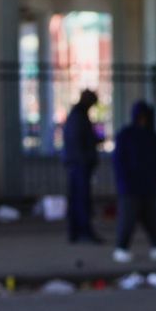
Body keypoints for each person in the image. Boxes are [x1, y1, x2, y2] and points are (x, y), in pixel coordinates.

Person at [111, 100, 156, 264]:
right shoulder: (126, 135)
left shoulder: (151, 137)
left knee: (152, 218)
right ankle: (121, 248)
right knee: (128, 218)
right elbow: (119, 161)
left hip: (148, 185)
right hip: (131, 186)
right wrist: (123, 181)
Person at [61, 89, 102, 244]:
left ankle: (75, 232)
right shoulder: (78, 116)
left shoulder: (77, 115)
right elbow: (79, 141)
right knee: (81, 199)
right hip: (80, 164)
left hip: (77, 163)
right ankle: (83, 231)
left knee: (76, 199)